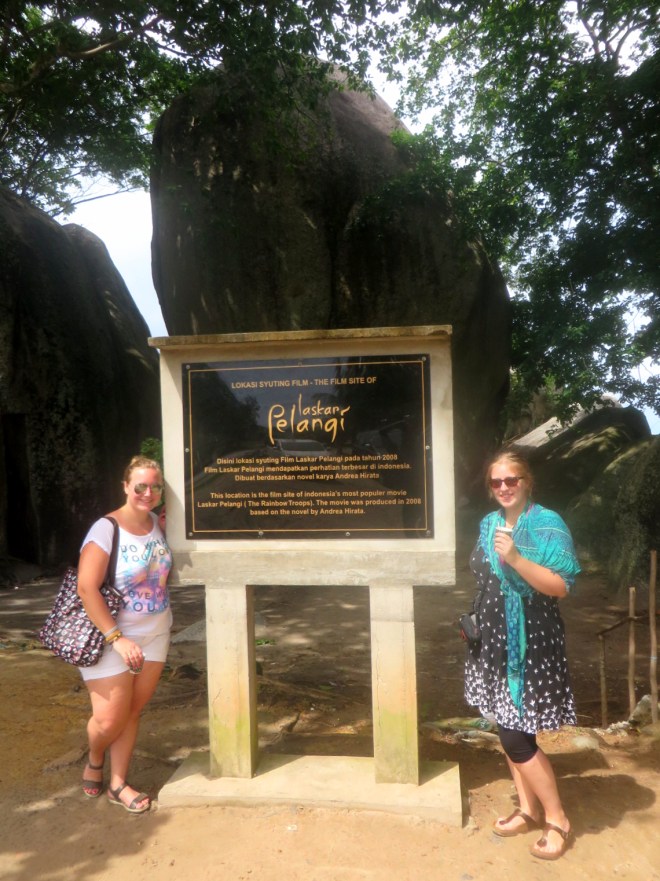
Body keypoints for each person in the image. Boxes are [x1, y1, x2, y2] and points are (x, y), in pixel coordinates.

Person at [464, 449, 580, 860]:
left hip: (532, 645)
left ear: (527, 481)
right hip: (493, 643)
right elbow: (485, 582)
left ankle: (557, 819)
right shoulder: (488, 523)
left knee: (515, 737)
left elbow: (560, 586)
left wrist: (515, 558)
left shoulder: (547, 524)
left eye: (511, 479)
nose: (504, 487)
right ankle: (528, 809)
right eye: (496, 482)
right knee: (509, 727)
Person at [77, 455, 172, 813]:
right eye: (140, 486)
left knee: (131, 711)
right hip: (112, 638)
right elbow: (86, 588)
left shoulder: (159, 524)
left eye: (155, 487)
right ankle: (95, 755)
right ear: (126, 486)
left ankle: (118, 784)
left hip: (156, 634)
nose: (148, 493)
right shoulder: (106, 529)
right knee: (109, 719)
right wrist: (117, 638)